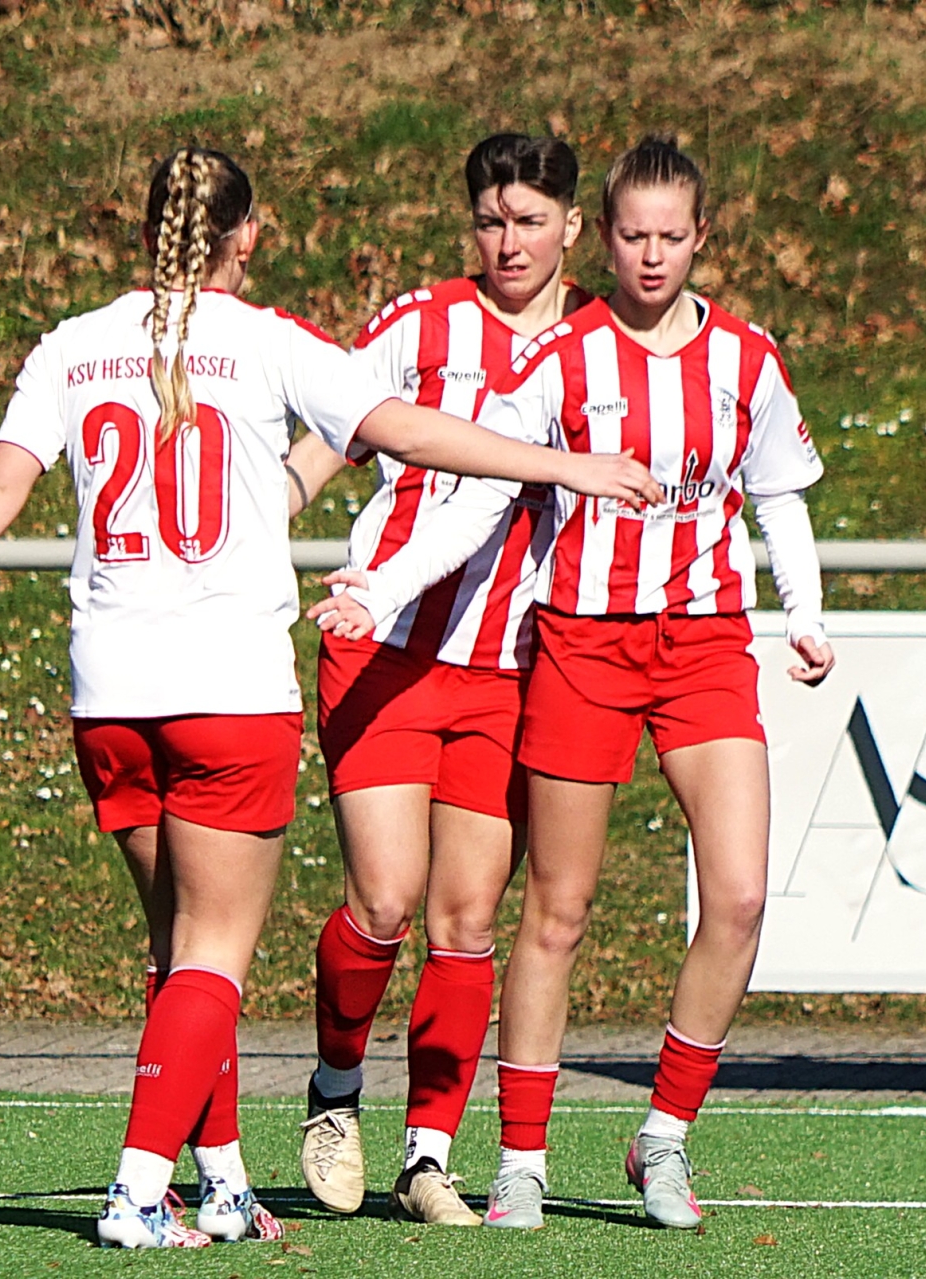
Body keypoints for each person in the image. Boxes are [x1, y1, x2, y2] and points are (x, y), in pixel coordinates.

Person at [0, 145, 662, 1249]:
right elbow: (404, 428)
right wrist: (564, 465)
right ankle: (138, 1191)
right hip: (225, 692)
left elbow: (1, 478)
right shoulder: (266, 340)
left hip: (108, 696)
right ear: (248, 235)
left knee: (177, 946)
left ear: (148, 231)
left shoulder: (74, 344)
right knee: (212, 959)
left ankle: (226, 1178)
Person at [466, 137, 836, 1231]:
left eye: (673, 236)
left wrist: (804, 613)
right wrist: (383, 582)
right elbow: (484, 481)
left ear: (701, 236)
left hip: (705, 645)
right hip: (583, 645)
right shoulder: (565, 353)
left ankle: (664, 1136)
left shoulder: (747, 359)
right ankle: (521, 1158)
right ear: (607, 238)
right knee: (558, 909)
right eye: (634, 235)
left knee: (741, 896)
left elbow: (780, 495)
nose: (654, 255)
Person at [278, 133, 591, 1227]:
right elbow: (328, 440)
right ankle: (333, 1092)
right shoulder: (421, 322)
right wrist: (258, 519)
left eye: (530, 221)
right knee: (384, 898)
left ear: (571, 227)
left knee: (465, 917)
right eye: (491, 221)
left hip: (508, 669)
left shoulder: (598, 347)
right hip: (384, 647)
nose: (509, 242)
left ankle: (428, 1157)